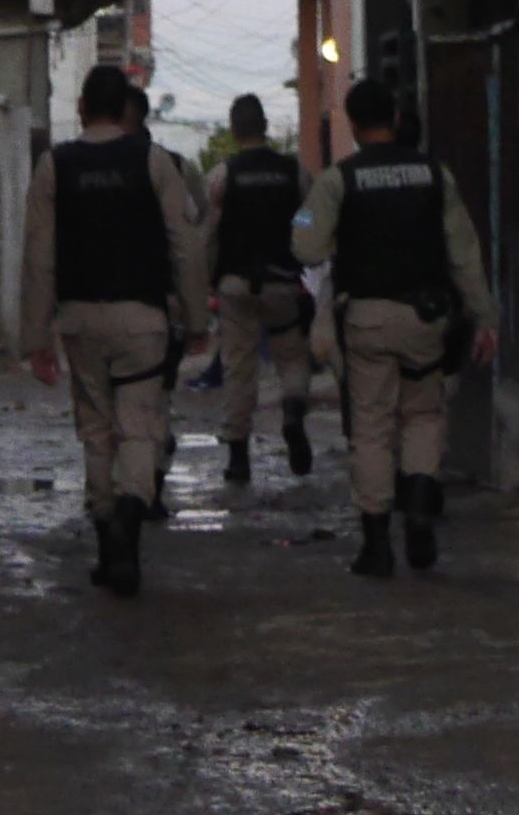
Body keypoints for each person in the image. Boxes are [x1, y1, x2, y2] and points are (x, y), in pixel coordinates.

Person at [291, 78, 496, 578]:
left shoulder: (340, 180)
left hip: (367, 319)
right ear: (398, 118)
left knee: (372, 426)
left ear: (355, 125)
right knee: (423, 415)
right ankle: (422, 500)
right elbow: (464, 251)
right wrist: (484, 317)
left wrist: (322, 228)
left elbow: (306, 247)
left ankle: (378, 544)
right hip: (427, 317)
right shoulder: (434, 173)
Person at [20, 63, 210, 596]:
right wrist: (197, 319)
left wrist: (36, 338)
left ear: (82, 108)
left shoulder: (55, 165)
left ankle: (108, 543)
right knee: (140, 425)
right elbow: (186, 243)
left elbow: (38, 258)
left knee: (97, 429)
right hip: (143, 320)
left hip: (80, 320)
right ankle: (130, 514)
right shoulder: (153, 162)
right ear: (126, 109)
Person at [203, 91, 317, 486]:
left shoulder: (223, 174)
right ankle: (292, 410)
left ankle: (238, 457)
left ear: (235, 130)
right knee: (292, 358)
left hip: (237, 286)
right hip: (283, 284)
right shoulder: (294, 172)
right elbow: (307, 223)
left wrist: (207, 281)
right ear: (265, 127)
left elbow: (211, 233)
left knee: (239, 370)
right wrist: (299, 256)